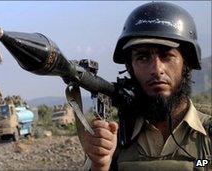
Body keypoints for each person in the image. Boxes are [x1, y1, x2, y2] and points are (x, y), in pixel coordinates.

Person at [83, 2, 211, 171]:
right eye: (143, 58)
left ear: (186, 64)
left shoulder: (207, 135)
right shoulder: (114, 140)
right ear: (130, 68)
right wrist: (100, 165)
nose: (157, 70)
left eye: (166, 55)